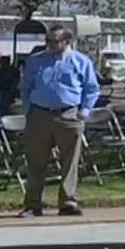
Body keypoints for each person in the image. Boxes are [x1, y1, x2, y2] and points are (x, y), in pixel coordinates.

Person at [18, 25, 99, 217]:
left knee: (69, 161)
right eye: (47, 40)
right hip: (39, 114)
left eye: (54, 41)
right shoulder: (36, 61)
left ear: (66, 41)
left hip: (69, 114)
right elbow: (26, 86)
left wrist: (84, 111)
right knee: (36, 161)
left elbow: (92, 88)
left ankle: (68, 201)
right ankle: (33, 204)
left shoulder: (81, 61)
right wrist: (28, 109)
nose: (49, 45)